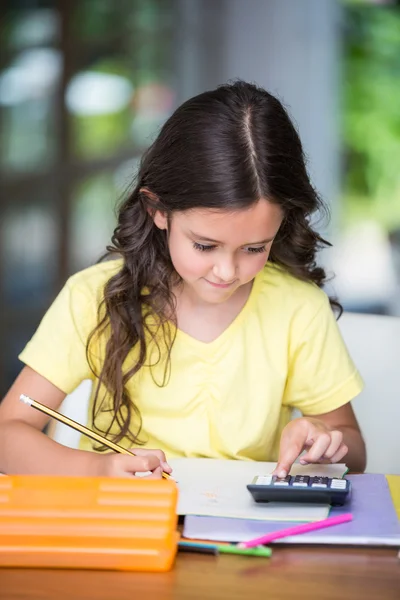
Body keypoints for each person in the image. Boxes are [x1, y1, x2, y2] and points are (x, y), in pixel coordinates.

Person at [0, 81, 366, 479]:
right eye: (205, 246)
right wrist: (97, 468)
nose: (227, 272)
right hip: (123, 522)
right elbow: (8, 434)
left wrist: (324, 439)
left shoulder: (297, 307)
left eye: (254, 248)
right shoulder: (94, 296)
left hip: (245, 537)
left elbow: (355, 451)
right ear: (158, 210)